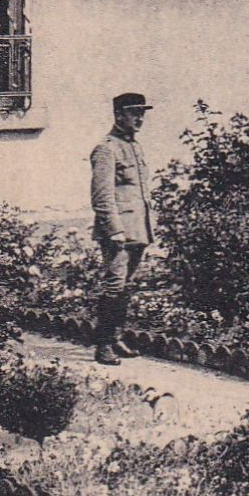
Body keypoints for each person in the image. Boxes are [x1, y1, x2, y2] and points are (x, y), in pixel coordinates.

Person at [89, 92, 155, 366]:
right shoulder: (107, 148)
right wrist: (114, 230)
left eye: (142, 113)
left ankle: (115, 338)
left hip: (137, 228)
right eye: (133, 113)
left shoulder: (135, 147)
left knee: (125, 286)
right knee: (114, 285)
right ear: (119, 115)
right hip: (117, 232)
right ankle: (103, 345)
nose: (139, 118)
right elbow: (101, 196)